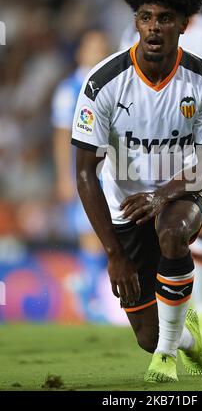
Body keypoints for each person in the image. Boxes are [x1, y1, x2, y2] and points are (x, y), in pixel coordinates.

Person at [71, 0, 202, 383]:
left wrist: (162, 194)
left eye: (165, 18)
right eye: (145, 17)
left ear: (184, 23)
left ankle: (165, 361)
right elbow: (85, 173)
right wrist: (113, 254)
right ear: (135, 21)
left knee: (173, 232)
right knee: (147, 334)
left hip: (179, 193)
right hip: (124, 207)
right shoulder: (103, 83)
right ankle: (184, 339)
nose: (154, 27)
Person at [120, 0, 202, 340]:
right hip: (158, 145)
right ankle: (189, 314)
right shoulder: (140, 31)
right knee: (174, 231)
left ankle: (199, 307)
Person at [51, 30, 110, 321]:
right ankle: (89, 298)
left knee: (110, 235)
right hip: (84, 173)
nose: (99, 51)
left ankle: (85, 287)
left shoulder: (112, 83)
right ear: (80, 53)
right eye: (93, 47)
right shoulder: (70, 89)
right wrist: (64, 175)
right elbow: (62, 135)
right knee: (92, 234)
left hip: (112, 172)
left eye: (102, 46)